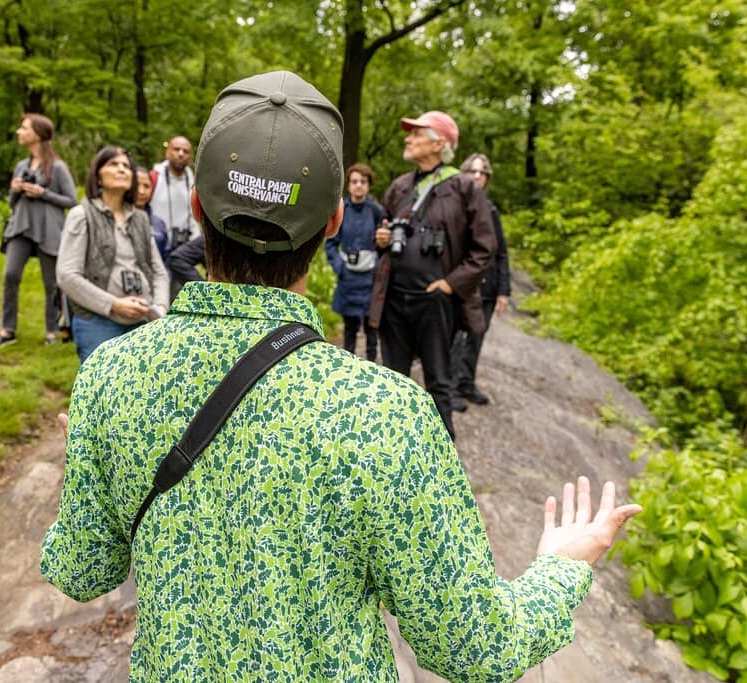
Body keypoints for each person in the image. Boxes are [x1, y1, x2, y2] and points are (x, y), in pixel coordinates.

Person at [41, 70, 642, 683]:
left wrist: (93, 451)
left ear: (197, 209)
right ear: (332, 222)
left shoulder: (110, 376)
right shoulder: (388, 413)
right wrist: (564, 566)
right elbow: (472, 648)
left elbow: (81, 570)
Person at [369, 110, 495, 437]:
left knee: (439, 382)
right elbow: (385, 230)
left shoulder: (466, 188)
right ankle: (390, 448)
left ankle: (443, 462)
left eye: (416, 134)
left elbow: (484, 249)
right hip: (394, 299)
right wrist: (382, 238)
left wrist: (449, 286)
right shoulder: (400, 187)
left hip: (435, 303)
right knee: (392, 381)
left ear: (439, 143)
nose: (408, 139)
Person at [55, 146, 169, 364]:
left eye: (126, 166)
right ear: (98, 176)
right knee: (100, 394)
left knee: (140, 391)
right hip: (98, 321)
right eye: (113, 164)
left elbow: (159, 271)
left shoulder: (141, 220)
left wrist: (160, 309)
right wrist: (115, 304)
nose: (122, 170)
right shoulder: (82, 215)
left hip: (144, 321)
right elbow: (67, 275)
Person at [0, 114, 77, 350]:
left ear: (37, 134)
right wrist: (16, 189)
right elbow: (11, 203)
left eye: (23, 128)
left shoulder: (57, 168)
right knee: (10, 275)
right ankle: (7, 331)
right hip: (21, 228)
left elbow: (72, 200)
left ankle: (52, 331)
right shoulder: (21, 166)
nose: (19, 131)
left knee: (51, 283)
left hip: (49, 231)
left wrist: (43, 193)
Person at [452, 153, 511, 407]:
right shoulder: (455, 207)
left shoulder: (492, 210)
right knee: (455, 338)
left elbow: (501, 252)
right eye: (473, 171)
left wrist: (503, 290)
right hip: (463, 285)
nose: (478, 176)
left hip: (487, 287)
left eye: (482, 172)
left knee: (477, 336)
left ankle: (467, 383)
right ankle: (451, 387)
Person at [325, 162, 382, 361]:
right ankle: (348, 367)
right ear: (348, 185)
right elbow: (330, 243)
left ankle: (372, 368)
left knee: (372, 329)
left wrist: (378, 271)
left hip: (370, 281)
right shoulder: (342, 210)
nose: (358, 185)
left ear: (368, 184)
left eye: (363, 181)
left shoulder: (376, 211)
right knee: (349, 331)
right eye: (354, 181)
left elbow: (384, 245)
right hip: (348, 279)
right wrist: (340, 268)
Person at [150, 136, 199, 299]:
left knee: (178, 298)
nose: (180, 154)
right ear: (167, 152)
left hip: (182, 246)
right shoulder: (153, 179)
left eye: (185, 151)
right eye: (176, 149)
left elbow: (194, 214)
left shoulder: (193, 181)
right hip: (157, 248)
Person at [134, 166, 170, 265]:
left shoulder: (159, 223)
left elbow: (166, 260)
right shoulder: (117, 218)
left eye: (146, 186)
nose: (141, 191)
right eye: (136, 185)